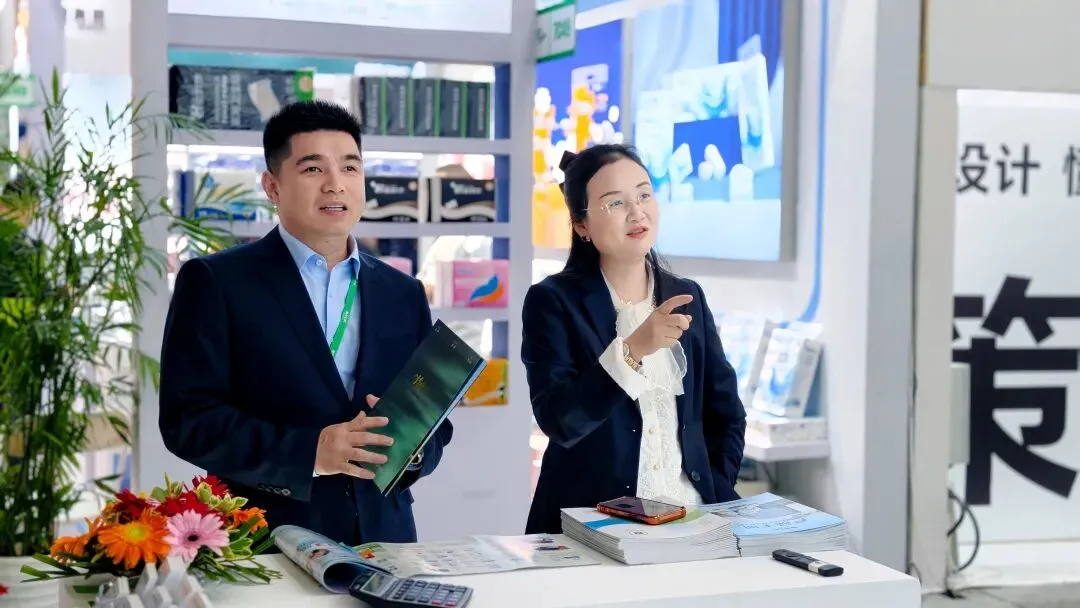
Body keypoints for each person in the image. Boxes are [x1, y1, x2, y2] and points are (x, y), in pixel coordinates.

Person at [159, 100, 453, 545]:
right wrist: (310, 453)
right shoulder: (217, 282)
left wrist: (409, 452)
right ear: (272, 186)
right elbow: (189, 420)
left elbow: (435, 421)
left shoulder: (403, 292)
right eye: (314, 169)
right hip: (268, 538)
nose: (336, 184)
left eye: (350, 168)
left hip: (386, 538)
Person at [521, 144, 746, 534]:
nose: (637, 212)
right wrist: (633, 350)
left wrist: (713, 488)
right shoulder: (552, 301)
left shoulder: (686, 294)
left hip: (690, 522)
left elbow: (725, 411)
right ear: (581, 225)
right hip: (593, 528)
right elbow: (560, 421)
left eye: (644, 195)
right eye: (615, 203)